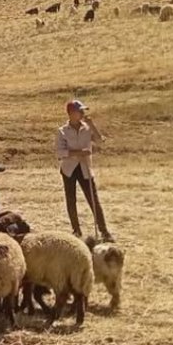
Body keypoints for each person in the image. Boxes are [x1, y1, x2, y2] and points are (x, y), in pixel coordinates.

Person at [57, 99, 114, 241]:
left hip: (85, 169)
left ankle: (104, 231)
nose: (83, 113)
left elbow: (100, 141)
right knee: (71, 200)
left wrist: (92, 125)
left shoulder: (88, 128)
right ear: (71, 113)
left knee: (93, 200)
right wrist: (78, 153)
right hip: (69, 169)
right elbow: (59, 153)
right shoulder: (62, 131)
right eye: (79, 111)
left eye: (83, 111)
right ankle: (76, 230)